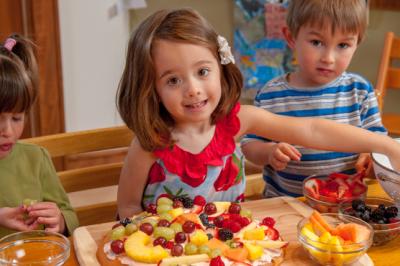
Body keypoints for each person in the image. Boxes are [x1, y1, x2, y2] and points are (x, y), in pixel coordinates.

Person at [116, 8, 400, 219]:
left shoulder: (239, 120)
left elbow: (312, 130)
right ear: (150, 87)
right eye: (173, 80)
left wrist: (386, 144)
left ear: (220, 67)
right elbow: (127, 208)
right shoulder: (148, 144)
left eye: (202, 71)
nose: (193, 89)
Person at [241, 0, 386, 198]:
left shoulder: (359, 91)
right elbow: (249, 146)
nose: (328, 58)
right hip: (285, 206)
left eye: (343, 45)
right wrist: (269, 152)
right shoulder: (270, 94)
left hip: (345, 209)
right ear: (291, 38)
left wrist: (370, 157)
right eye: (317, 42)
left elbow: (379, 142)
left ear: (356, 44)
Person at [0, 35, 79, 237]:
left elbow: (69, 216)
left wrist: (58, 221)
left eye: (17, 118)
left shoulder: (36, 159)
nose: (8, 131)